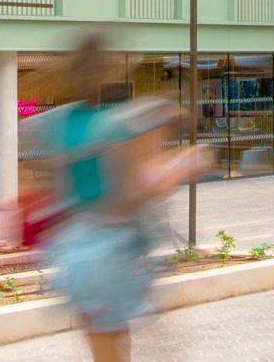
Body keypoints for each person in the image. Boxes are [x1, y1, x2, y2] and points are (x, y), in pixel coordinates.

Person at [25, 34, 214, 362]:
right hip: (109, 251)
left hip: (73, 249)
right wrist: (185, 163)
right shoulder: (117, 125)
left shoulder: (61, 122)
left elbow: (51, 181)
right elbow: (134, 193)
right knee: (116, 348)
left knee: (103, 344)